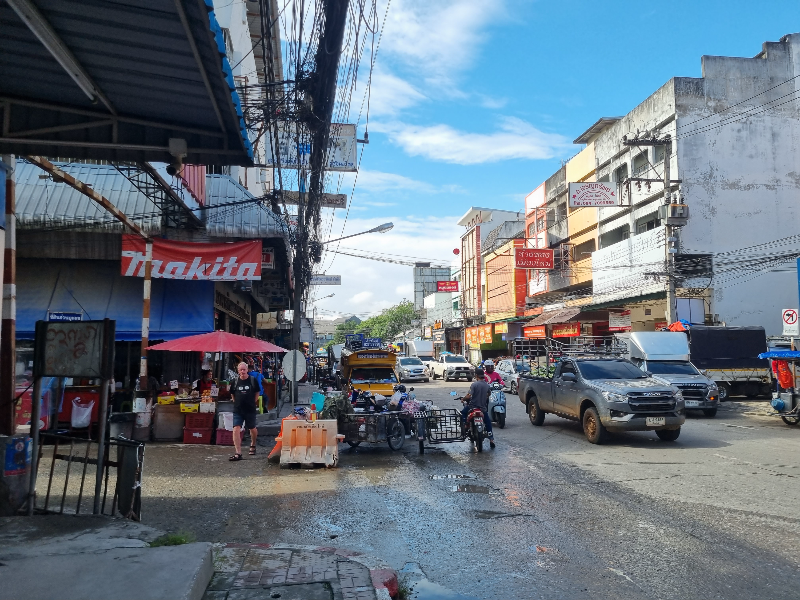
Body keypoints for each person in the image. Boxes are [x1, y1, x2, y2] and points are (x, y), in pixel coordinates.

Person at [229, 362, 259, 461]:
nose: (242, 372)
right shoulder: (235, 381)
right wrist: (236, 402)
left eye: (244, 369)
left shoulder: (252, 380)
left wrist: (253, 402)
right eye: (240, 370)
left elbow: (257, 392)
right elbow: (232, 394)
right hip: (238, 409)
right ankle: (238, 452)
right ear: (238, 371)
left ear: (247, 370)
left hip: (250, 409)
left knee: (252, 428)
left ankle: (253, 444)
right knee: (236, 429)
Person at [461, 368, 495, 449]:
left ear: (476, 376)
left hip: (472, 406)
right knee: (488, 422)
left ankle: (466, 425)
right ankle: (491, 440)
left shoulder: (474, 385)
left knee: (463, 412)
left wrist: (463, 399)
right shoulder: (487, 385)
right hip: (482, 408)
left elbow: (469, 396)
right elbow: (489, 394)